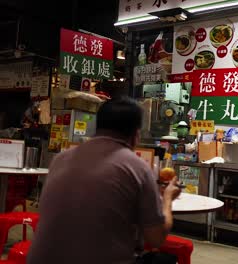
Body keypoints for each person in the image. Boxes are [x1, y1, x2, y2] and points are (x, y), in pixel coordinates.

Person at [28, 97, 181, 264]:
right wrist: (167, 198)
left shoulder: (61, 158)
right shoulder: (137, 167)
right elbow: (156, 238)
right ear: (136, 134)